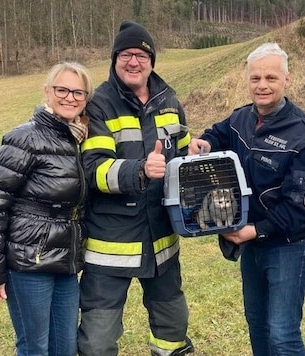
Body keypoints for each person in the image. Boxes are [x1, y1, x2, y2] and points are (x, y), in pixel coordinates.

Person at [189, 42, 305, 355]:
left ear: (287, 79)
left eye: (270, 77)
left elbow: (303, 210)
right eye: (255, 78)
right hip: (250, 242)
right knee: (257, 323)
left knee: (282, 334)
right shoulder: (240, 118)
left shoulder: (304, 135)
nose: (262, 85)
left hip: (286, 246)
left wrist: (253, 230)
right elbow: (217, 134)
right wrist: (203, 143)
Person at [77, 20, 194, 356]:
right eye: (126, 54)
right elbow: (93, 169)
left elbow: (181, 153)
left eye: (141, 55)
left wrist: (193, 151)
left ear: (152, 61)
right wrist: (139, 169)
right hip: (110, 245)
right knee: (98, 340)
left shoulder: (169, 100)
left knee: (172, 328)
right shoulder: (99, 104)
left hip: (162, 244)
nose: (133, 62)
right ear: (115, 59)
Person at [0, 61, 93, 356]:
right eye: (62, 89)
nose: (70, 97)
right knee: (34, 347)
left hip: (65, 262)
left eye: (78, 92)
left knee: (64, 347)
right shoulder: (25, 137)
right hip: (29, 261)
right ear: (47, 92)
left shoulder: (76, 138)